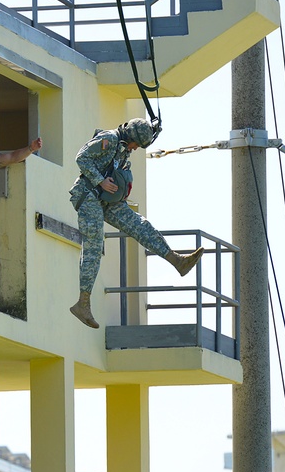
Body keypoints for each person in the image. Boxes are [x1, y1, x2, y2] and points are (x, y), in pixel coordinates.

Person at [67, 118, 203, 329]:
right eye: (135, 144)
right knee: (94, 243)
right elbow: (81, 158)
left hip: (108, 199)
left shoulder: (124, 149)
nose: (135, 148)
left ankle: (176, 260)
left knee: (139, 224)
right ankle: (82, 303)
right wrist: (99, 180)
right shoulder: (110, 139)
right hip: (88, 195)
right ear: (129, 136)